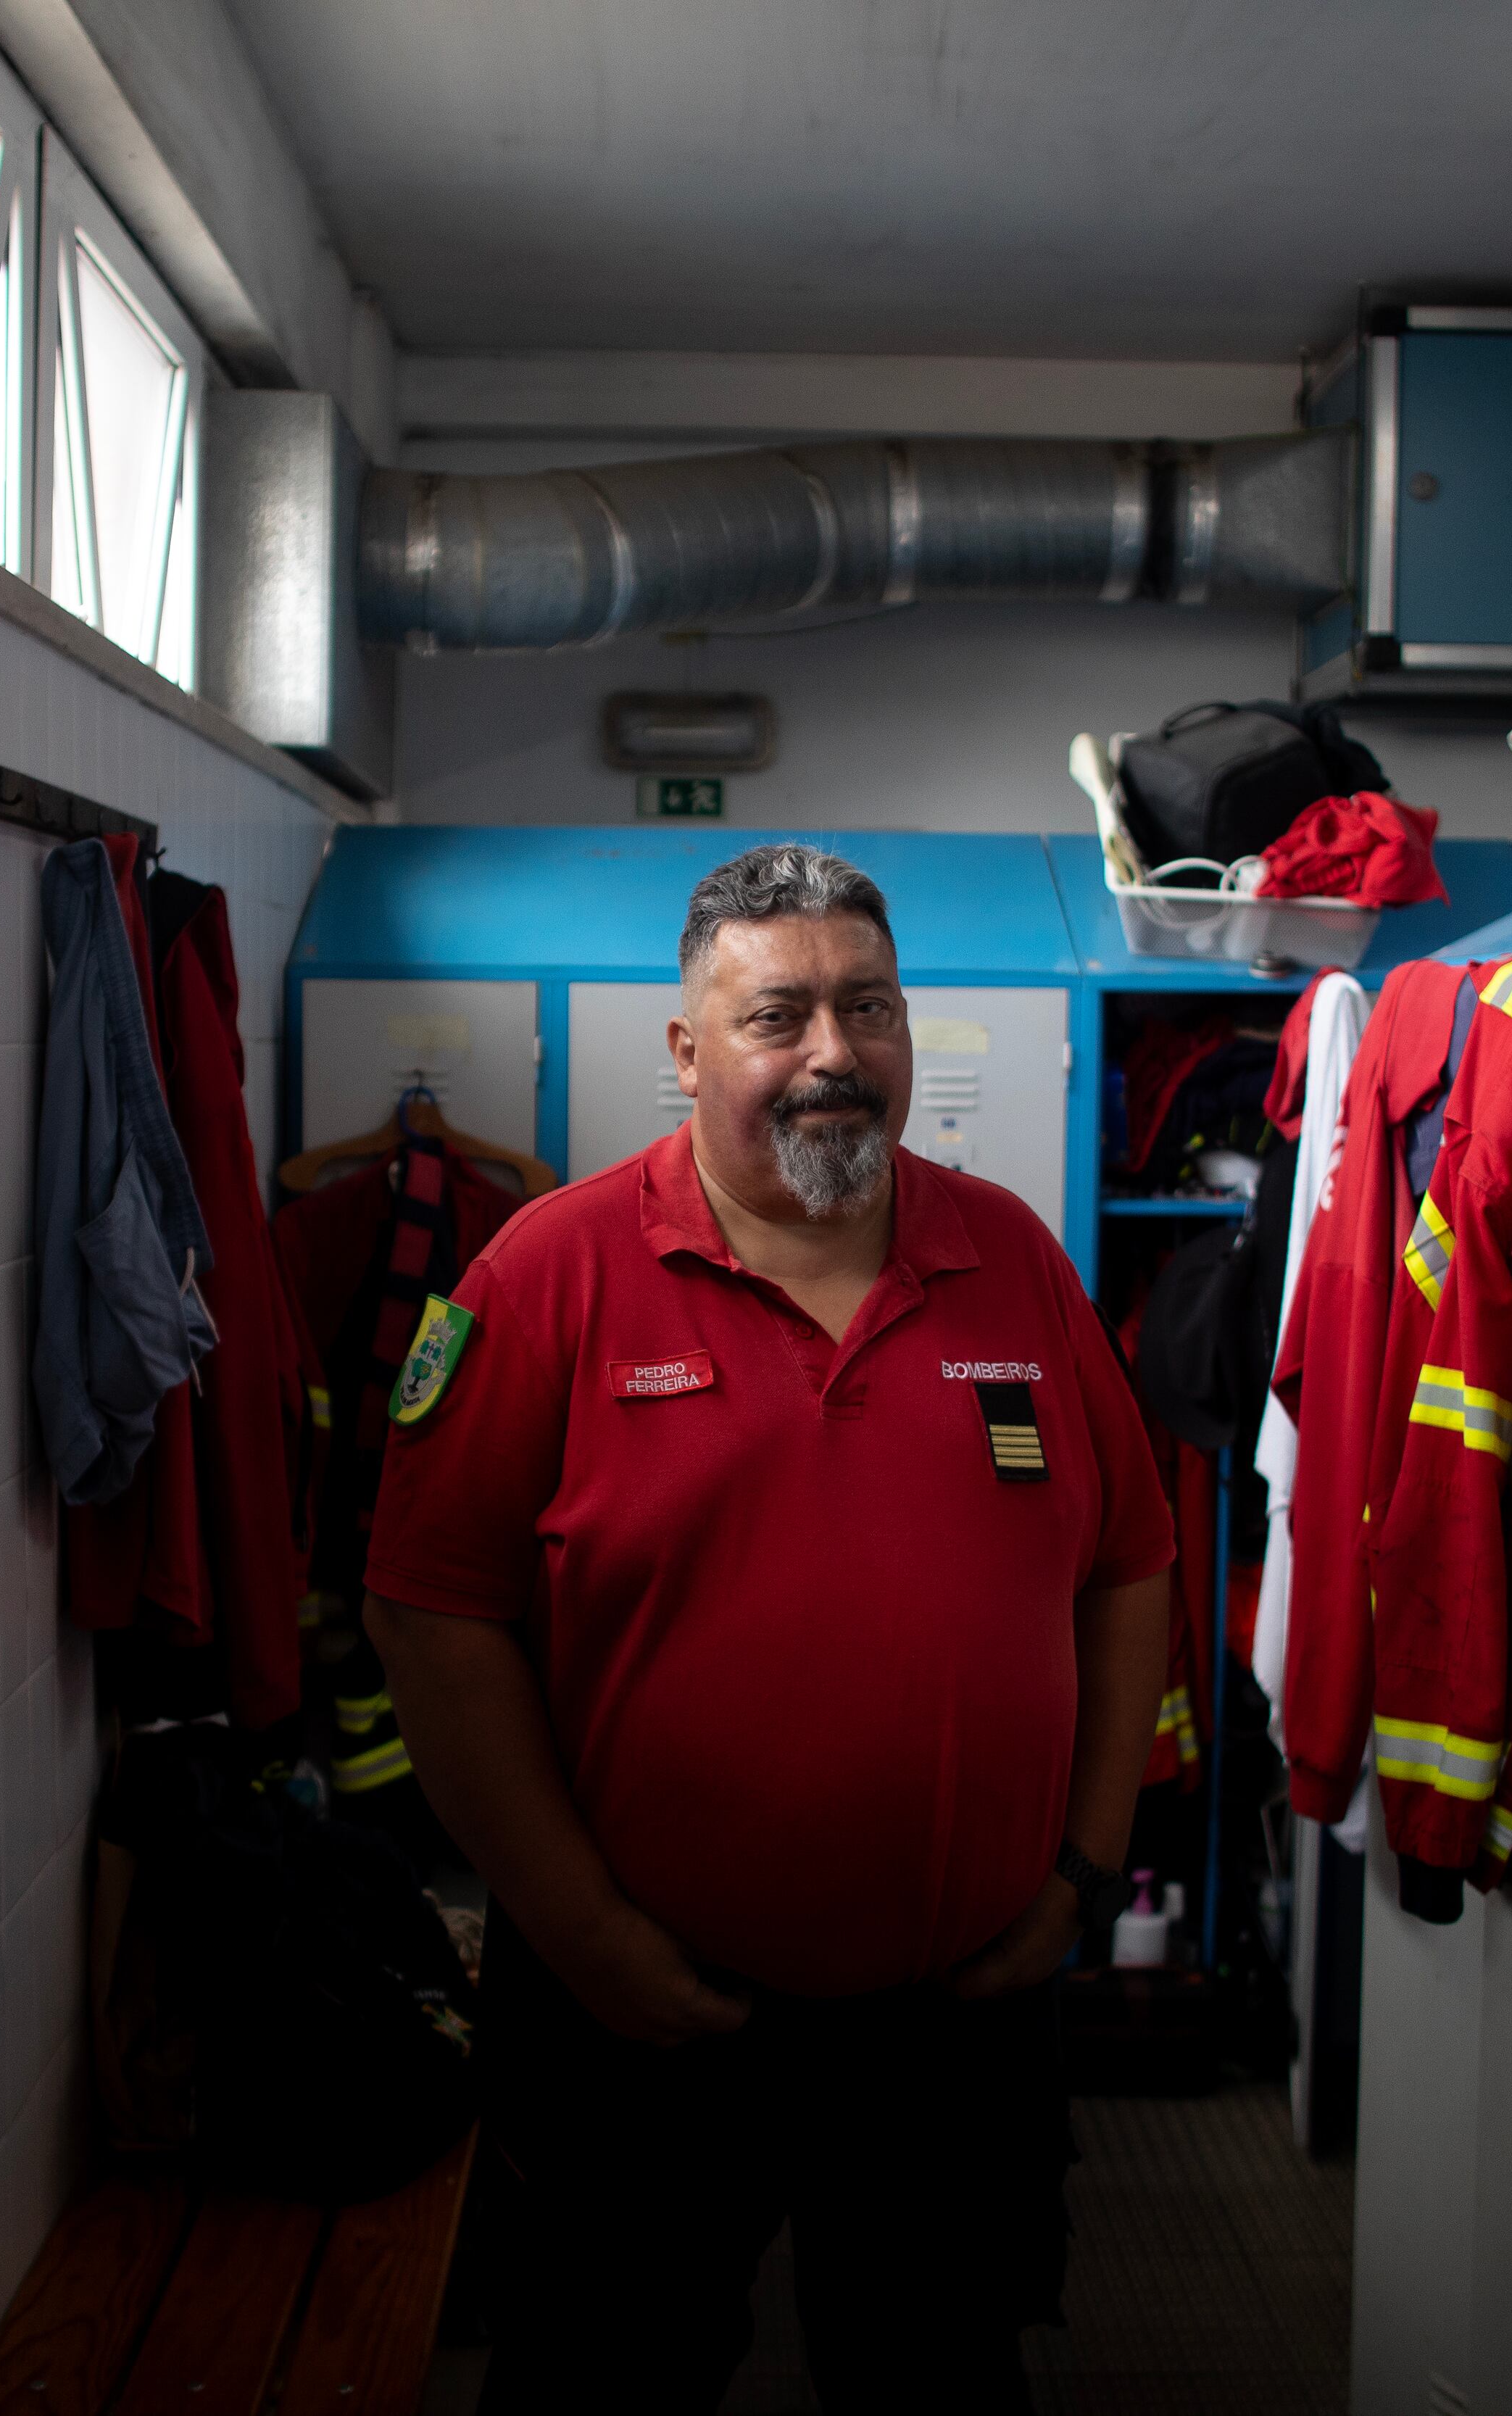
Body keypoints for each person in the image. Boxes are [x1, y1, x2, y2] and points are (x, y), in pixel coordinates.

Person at [362, 843, 1176, 2413]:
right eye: (777, 1014)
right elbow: (430, 1617)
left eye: (869, 1007)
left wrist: (1081, 1870)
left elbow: (1131, 1563)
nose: (832, 1052)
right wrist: (586, 1934)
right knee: (603, 2376)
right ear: (686, 1049)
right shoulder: (547, 1274)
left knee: (942, 2374)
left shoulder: (1010, 1255)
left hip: (956, 2014)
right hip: (638, 2015)